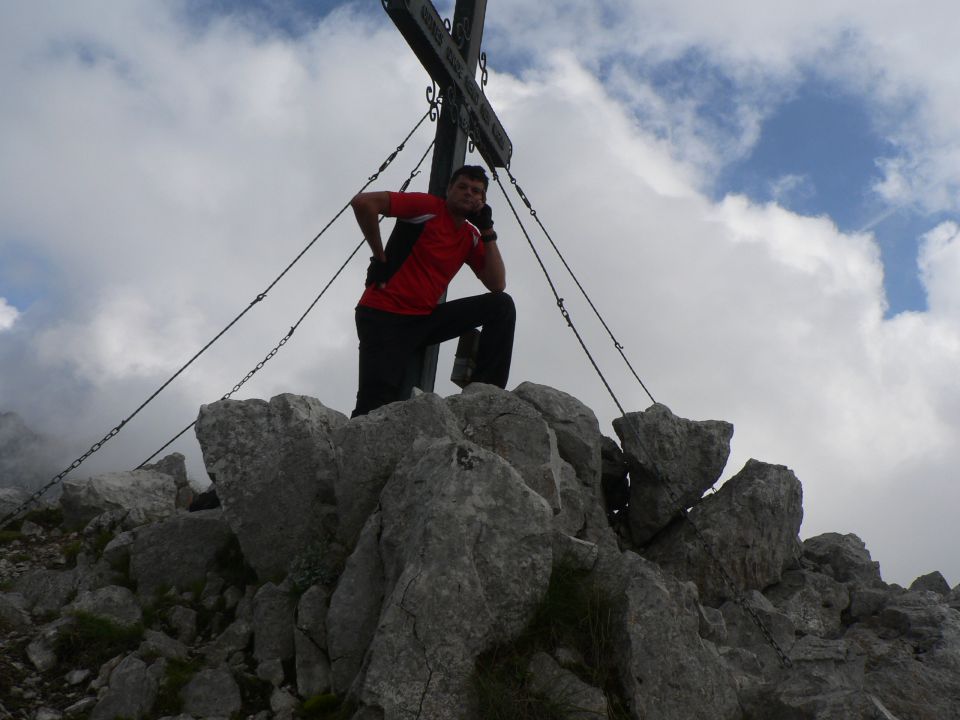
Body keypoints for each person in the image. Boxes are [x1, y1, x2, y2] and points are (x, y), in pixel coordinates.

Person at [350, 165, 515, 417]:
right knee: (375, 404)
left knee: (501, 305)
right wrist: (380, 255)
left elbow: (497, 284)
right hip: (384, 316)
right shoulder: (426, 207)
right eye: (462, 187)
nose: (468, 194)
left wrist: (487, 231)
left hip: (423, 319)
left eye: (476, 191)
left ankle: (486, 393)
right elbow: (364, 203)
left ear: (482, 200)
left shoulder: (471, 236)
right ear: (449, 190)